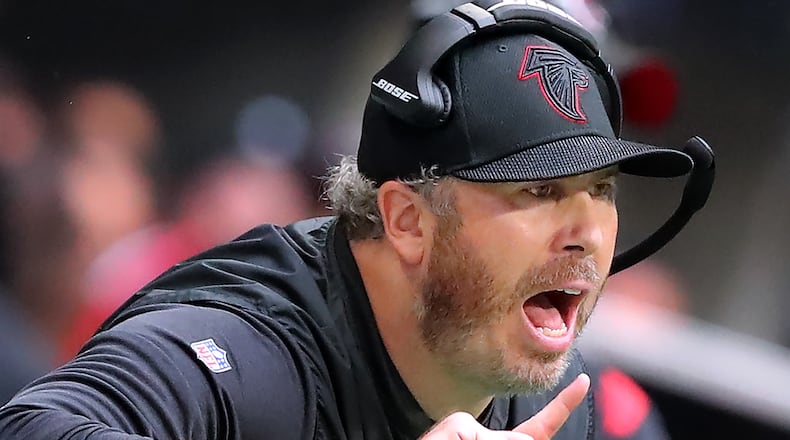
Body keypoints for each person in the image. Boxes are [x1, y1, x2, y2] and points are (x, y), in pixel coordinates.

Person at [0, 1, 714, 439]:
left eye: (601, 190)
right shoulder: (253, 350)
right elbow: (34, 427)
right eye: (537, 191)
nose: (587, 231)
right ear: (405, 220)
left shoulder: (566, 402)